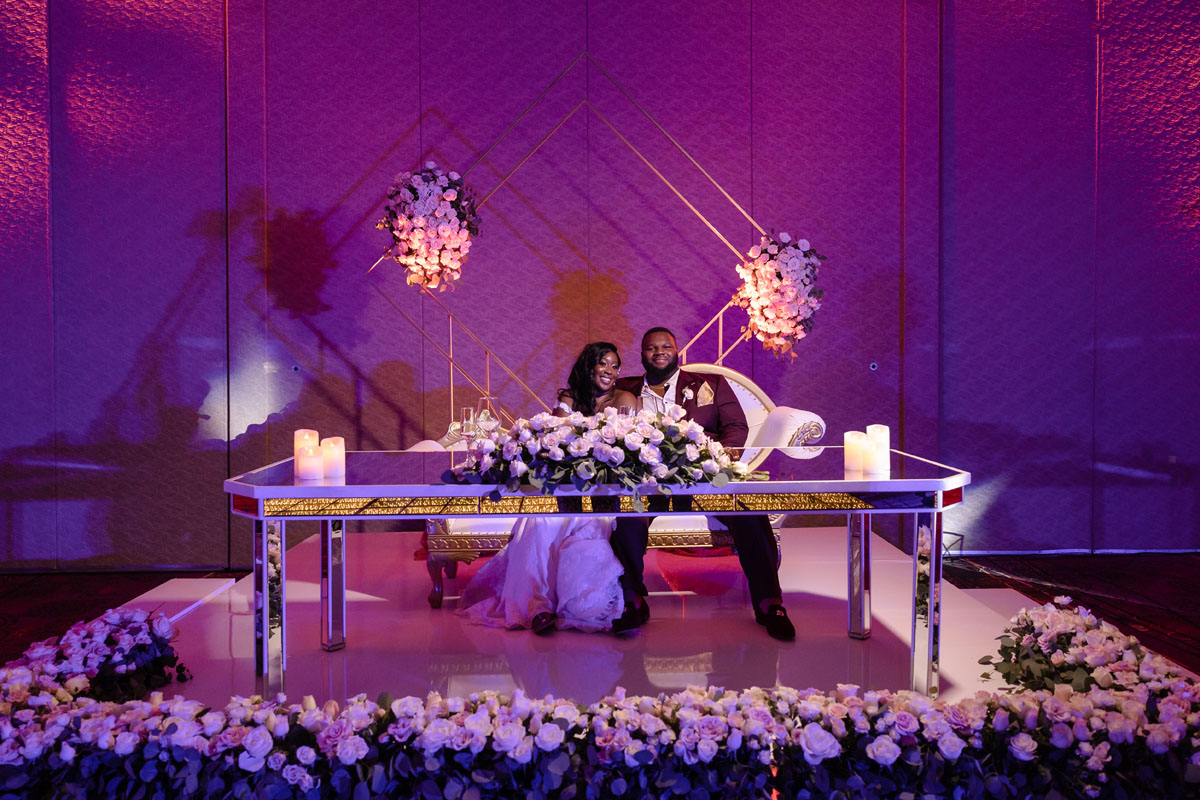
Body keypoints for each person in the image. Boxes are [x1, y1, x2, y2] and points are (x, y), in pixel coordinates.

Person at [609, 327, 796, 641]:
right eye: (651, 348)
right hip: (648, 484)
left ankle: (769, 601)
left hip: (704, 479)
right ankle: (632, 600)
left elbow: (736, 426)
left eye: (665, 346)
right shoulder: (624, 387)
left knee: (748, 512)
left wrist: (720, 458)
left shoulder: (711, 384)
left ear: (677, 349)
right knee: (627, 518)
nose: (659, 352)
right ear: (642, 354)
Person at [458, 342, 639, 635]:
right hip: (569, 483)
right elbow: (557, 439)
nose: (610, 370)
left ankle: (580, 604)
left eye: (615, 365)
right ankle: (537, 607)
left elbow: (628, 447)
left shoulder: (625, 398)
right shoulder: (569, 397)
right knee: (539, 520)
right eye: (603, 363)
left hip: (604, 488)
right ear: (589, 365)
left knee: (586, 522)